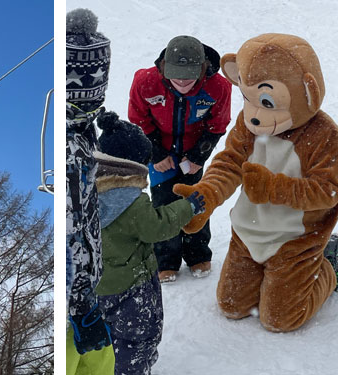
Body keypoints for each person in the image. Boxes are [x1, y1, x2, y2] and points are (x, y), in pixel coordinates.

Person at [172, 33, 338, 333]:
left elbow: (327, 191)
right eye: (248, 98)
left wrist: (274, 188)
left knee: (280, 319)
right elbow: (229, 162)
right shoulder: (247, 123)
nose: (254, 115)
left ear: (308, 92)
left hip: (296, 238)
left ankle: (328, 266)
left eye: (267, 102)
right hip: (248, 231)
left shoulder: (323, 135)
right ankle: (269, 273)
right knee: (231, 305)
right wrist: (205, 196)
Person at [93, 111, 204, 374]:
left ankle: (108, 366)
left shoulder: (86, 191)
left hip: (101, 286)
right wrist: (187, 208)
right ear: (133, 165)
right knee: (138, 335)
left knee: (109, 336)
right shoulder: (131, 201)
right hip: (133, 285)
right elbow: (157, 226)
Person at [128, 35, 232, 283]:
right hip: (160, 152)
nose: (182, 81)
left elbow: (217, 125)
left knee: (197, 198)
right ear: (164, 68)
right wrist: (157, 153)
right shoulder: (145, 82)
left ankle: (197, 254)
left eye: (189, 75)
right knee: (163, 202)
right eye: (176, 74)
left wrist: (198, 156)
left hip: (193, 151)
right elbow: (138, 119)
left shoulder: (218, 87)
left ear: (202, 69)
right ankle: (166, 260)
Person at [66, 7, 114, 375]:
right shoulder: (72, 147)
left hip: (85, 290)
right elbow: (74, 223)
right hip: (78, 296)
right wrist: (81, 295)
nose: (89, 111)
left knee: (95, 361)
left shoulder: (80, 135)